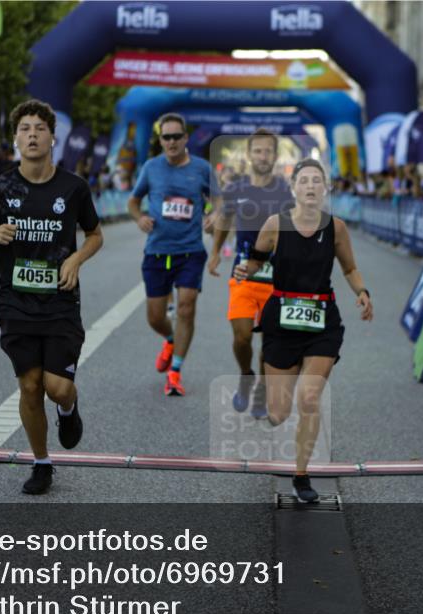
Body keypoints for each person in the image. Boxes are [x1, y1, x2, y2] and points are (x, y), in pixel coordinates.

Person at [0, 99, 103, 495]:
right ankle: (41, 462)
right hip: (16, 302)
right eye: (25, 129)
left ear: (52, 138)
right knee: (29, 386)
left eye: (39, 129)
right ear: (15, 139)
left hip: (60, 301)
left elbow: (95, 235)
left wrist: (76, 259)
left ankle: (68, 407)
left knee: (56, 386)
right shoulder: (0, 188)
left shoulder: (73, 188)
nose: (32, 135)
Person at [235, 158, 373, 503]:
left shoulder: (336, 228)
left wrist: (362, 291)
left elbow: (350, 268)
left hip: (321, 322)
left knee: (309, 398)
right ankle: (268, 389)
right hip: (281, 322)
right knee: (279, 413)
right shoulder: (275, 225)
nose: (310, 186)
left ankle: (301, 476)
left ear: (325, 189)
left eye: (316, 181)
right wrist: (244, 270)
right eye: (304, 181)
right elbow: (255, 261)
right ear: (293, 188)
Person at [127, 113, 220, 396]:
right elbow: (133, 201)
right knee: (155, 317)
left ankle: (175, 371)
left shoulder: (202, 168)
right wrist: (139, 218)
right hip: (157, 251)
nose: (171, 142)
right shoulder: (151, 167)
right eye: (166, 137)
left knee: (186, 307)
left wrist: (215, 214)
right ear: (161, 140)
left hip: (190, 250)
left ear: (185, 138)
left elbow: (219, 199)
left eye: (176, 136)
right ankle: (169, 339)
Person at [208, 129, 293, 417]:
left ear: (275, 155)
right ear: (249, 154)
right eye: (258, 151)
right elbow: (224, 218)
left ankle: (262, 392)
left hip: (276, 279)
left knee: (270, 342)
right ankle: (246, 375)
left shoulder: (284, 191)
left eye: (268, 151)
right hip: (243, 274)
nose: (263, 156)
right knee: (242, 336)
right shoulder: (236, 188)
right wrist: (215, 252)